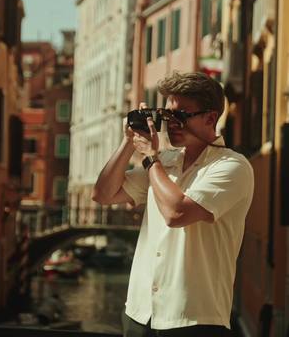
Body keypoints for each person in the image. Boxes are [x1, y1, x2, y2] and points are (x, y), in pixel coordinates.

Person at [92, 72, 254, 337]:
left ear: (210, 118)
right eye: (167, 116)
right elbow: (103, 194)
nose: (171, 124)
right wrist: (129, 142)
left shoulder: (233, 167)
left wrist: (150, 160)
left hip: (193, 319)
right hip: (138, 313)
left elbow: (176, 213)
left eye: (180, 116)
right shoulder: (164, 162)